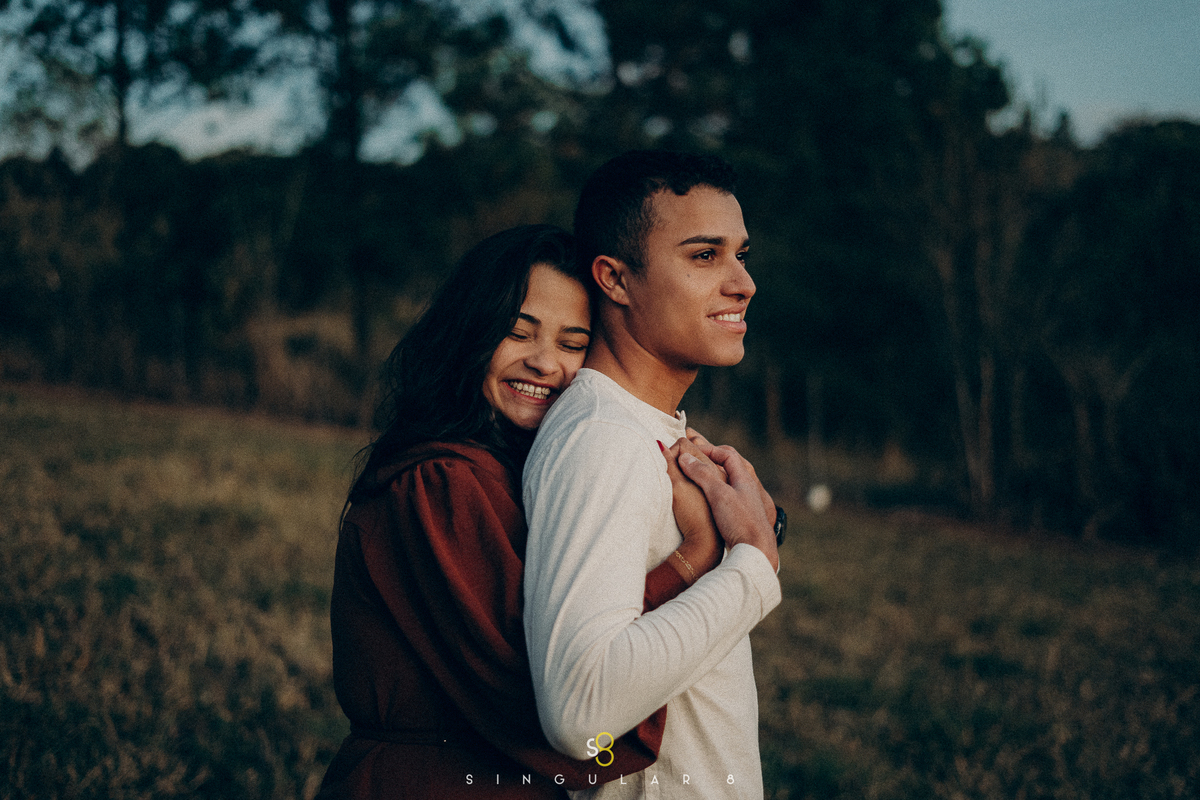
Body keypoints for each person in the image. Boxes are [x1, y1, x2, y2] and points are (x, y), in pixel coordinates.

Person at [316, 224, 727, 799]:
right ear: (471, 335)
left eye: (572, 342)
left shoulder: (508, 471)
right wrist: (696, 559)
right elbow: (542, 689)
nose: (544, 363)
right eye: (518, 332)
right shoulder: (440, 483)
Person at [522, 152, 782, 798]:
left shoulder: (641, 432)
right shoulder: (603, 441)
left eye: (740, 255)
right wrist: (753, 565)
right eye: (704, 256)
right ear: (614, 279)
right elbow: (580, 713)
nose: (743, 283)